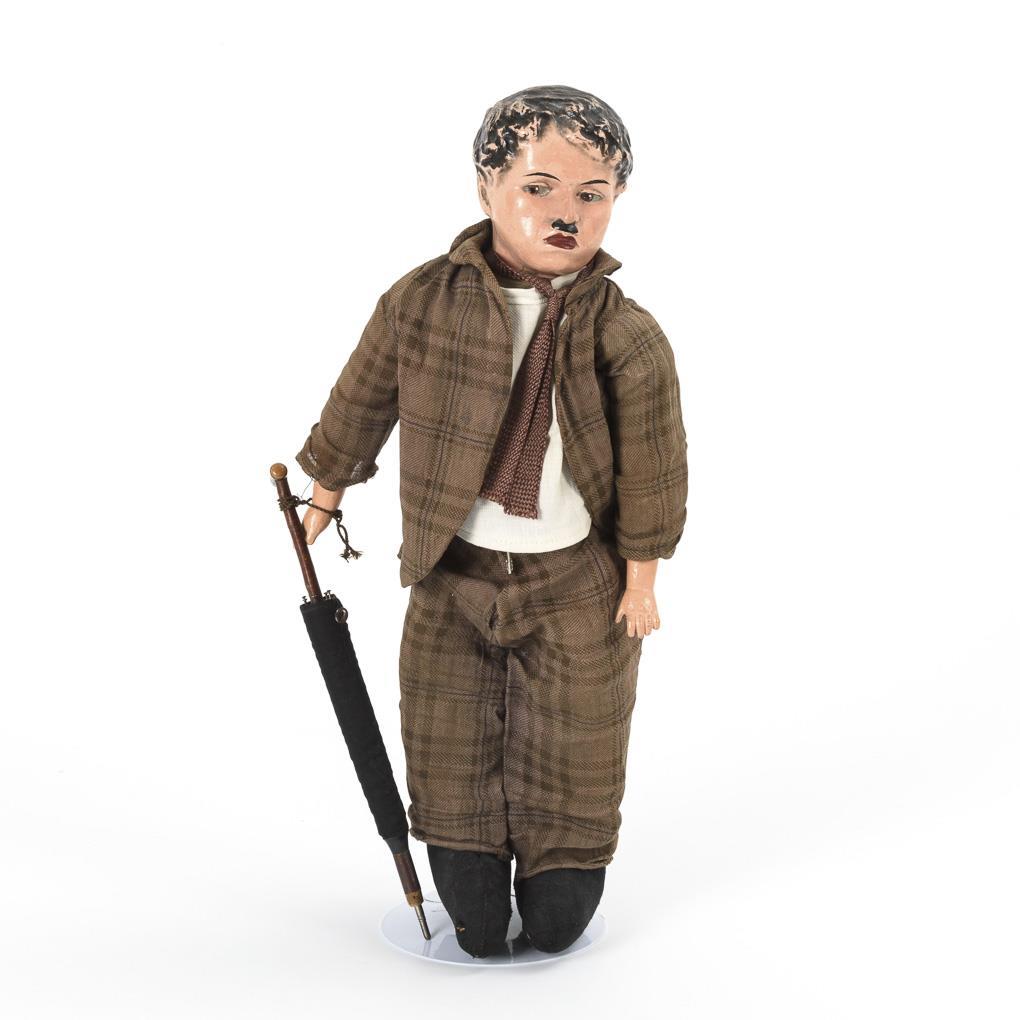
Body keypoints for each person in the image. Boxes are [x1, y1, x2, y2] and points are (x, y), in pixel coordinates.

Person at [297, 85, 688, 957]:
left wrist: (642, 578)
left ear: (618, 199)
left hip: (578, 581)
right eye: (538, 187)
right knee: (448, 723)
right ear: (487, 188)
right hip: (453, 570)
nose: (565, 213)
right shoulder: (423, 304)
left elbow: (655, 465)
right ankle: (465, 858)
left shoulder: (624, 334)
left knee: (580, 731)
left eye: (591, 194)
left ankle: (562, 865)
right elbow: (364, 397)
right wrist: (326, 493)